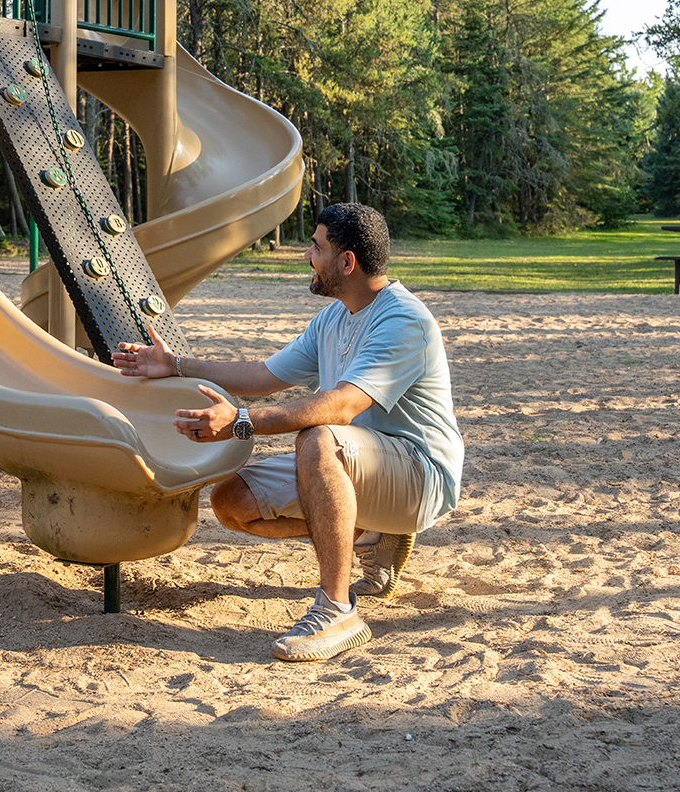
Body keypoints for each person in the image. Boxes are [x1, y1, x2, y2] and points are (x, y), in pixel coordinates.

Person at [112, 203, 462, 662]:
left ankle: (338, 609)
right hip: (360, 464)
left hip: (421, 475)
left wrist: (240, 422)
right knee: (231, 503)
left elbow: (342, 405)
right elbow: (262, 375)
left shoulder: (403, 320)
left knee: (319, 436)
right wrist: (174, 364)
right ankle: (368, 533)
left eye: (316, 247)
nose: (306, 255)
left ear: (347, 262)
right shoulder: (334, 317)